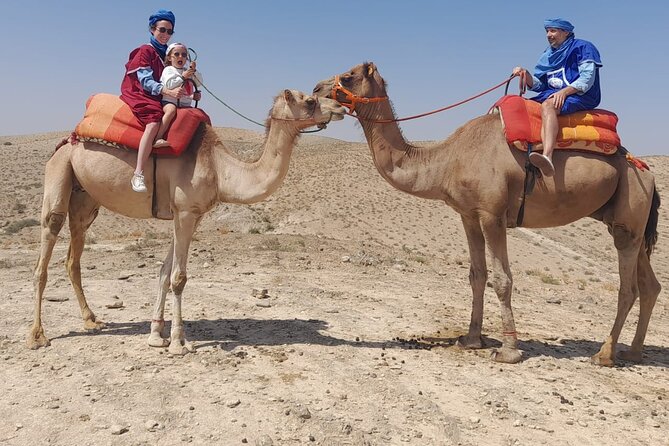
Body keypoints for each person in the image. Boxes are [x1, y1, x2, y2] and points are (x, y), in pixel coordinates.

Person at [512, 18, 602, 177]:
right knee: (515, 104)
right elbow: (541, 85)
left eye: (553, 31)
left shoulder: (583, 47)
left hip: (581, 95)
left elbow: (587, 79)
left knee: (548, 106)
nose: (548, 35)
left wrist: (564, 92)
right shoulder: (548, 55)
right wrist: (525, 75)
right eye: (547, 31)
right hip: (552, 94)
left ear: (566, 32)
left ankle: (547, 156)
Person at [120, 9, 185, 193]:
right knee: (154, 120)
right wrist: (167, 91)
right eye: (162, 30)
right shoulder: (145, 51)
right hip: (141, 93)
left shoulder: (168, 55)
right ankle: (138, 173)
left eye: (169, 31)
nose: (166, 35)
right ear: (152, 29)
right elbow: (146, 81)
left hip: (160, 94)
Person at [153, 42, 203, 148]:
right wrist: (182, 77)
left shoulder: (187, 71)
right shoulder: (168, 70)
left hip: (185, 104)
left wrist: (193, 71)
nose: (180, 57)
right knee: (171, 111)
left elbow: (199, 83)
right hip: (170, 101)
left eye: (184, 55)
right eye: (176, 54)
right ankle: (158, 137)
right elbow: (169, 85)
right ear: (170, 58)